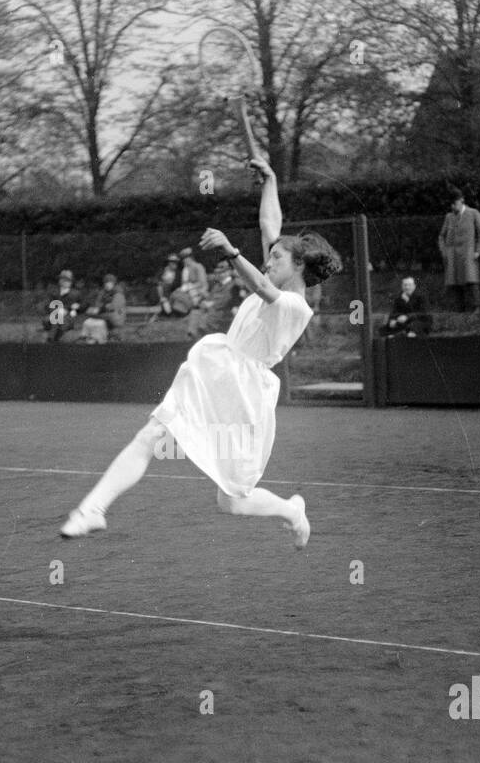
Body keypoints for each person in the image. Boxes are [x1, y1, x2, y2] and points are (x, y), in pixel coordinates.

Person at [60, 157, 341, 546]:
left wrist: (230, 251)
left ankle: (292, 510)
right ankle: (92, 510)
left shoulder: (296, 306)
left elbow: (262, 287)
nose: (269, 257)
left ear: (298, 267)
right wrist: (270, 181)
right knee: (152, 434)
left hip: (244, 395)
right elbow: (269, 225)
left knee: (232, 501)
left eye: (276, 257)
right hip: (216, 367)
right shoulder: (277, 271)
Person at [438, 187, 480, 312]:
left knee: (471, 281)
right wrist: (444, 251)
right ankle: (459, 309)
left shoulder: (473, 213)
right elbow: (441, 236)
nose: (452, 207)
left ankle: (476, 308)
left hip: (469, 254)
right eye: (450, 204)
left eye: (454, 203)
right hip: (453, 255)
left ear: (462, 200)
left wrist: (478, 251)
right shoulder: (449, 217)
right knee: (455, 282)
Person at [186, 259, 240, 338]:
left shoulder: (233, 285)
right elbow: (210, 297)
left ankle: (200, 336)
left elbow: (227, 300)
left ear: (228, 273)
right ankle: (193, 335)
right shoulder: (217, 285)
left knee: (206, 317)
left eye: (222, 272)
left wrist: (211, 304)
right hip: (212, 309)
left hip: (223, 310)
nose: (219, 275)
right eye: (217, 273)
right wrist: (205, 301)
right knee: (195, 312)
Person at [42, 269, 83, 342]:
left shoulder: (76, 294)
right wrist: (57, 311)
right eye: (63, 279)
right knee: (55, 320)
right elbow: (47, 305)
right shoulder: (53, 292)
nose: (65, 282)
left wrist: (69, 309)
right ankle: (53, 340)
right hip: (53, 316)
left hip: (68, 318)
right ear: (60, 280)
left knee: (60, 323)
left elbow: (81, 307)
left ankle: (50, 339)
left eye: (68, 280)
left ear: (71, 281)